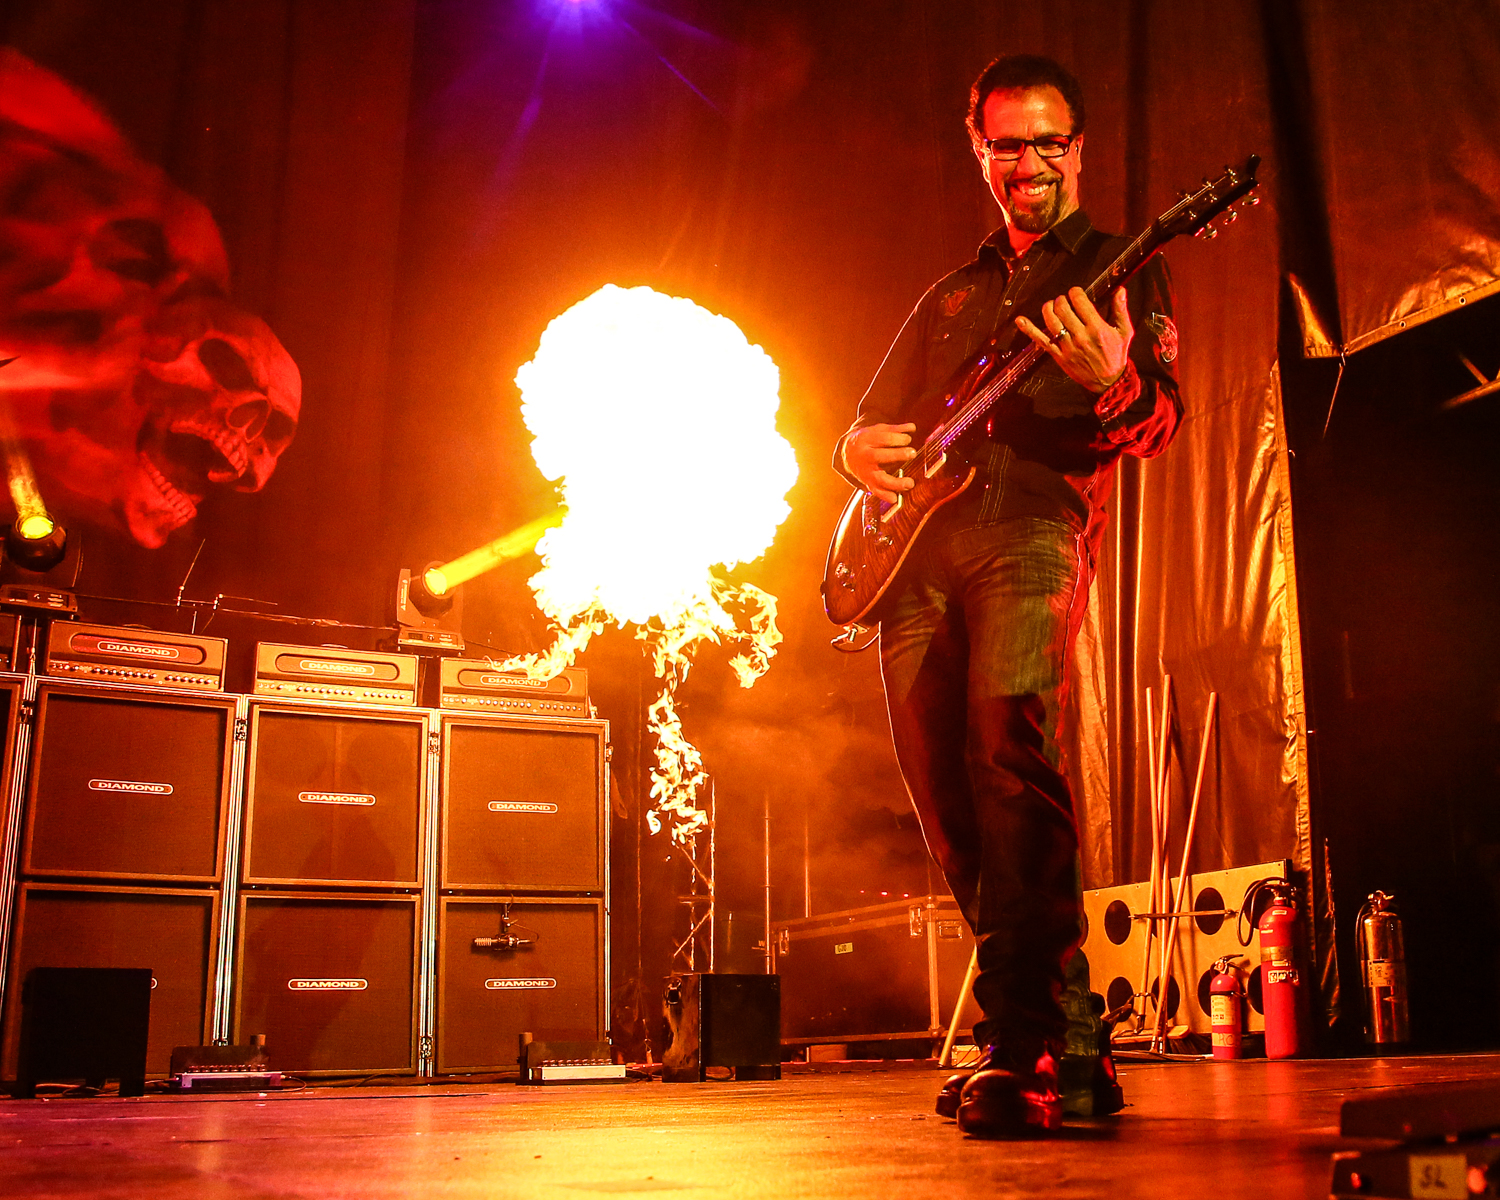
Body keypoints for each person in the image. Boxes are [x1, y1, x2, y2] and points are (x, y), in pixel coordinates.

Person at [834, 54, 1182, 1137]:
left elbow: (1160, 419)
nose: (1028, 162)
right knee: (947, 799)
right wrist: (853, 453)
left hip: (1033, 532)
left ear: (1078, 149)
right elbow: (870, 424)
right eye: (1007, 145)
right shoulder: (950, 294)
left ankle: (1024, 1041)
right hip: (914, 562)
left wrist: (1114, 382)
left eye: (1047, 142)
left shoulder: (1122, 266)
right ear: (978, 152)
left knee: (1009, 761)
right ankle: (1065, 1044)